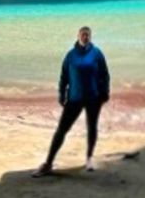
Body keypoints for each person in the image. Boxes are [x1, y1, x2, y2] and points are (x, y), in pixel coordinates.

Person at [32, 25, 110, 177]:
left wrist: (105, 92)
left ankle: (89, 158)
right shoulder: (70, 55)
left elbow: (105, 75)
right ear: (78, 36)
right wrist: (62, 95)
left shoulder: (97, 54)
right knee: (61, 130)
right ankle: (48, 163)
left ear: (90, 37)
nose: (85, 37)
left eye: (87, 35)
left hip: (93, 98)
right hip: (74, 98)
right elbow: (64, 77)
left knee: (92, 127)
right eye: (83, 34)